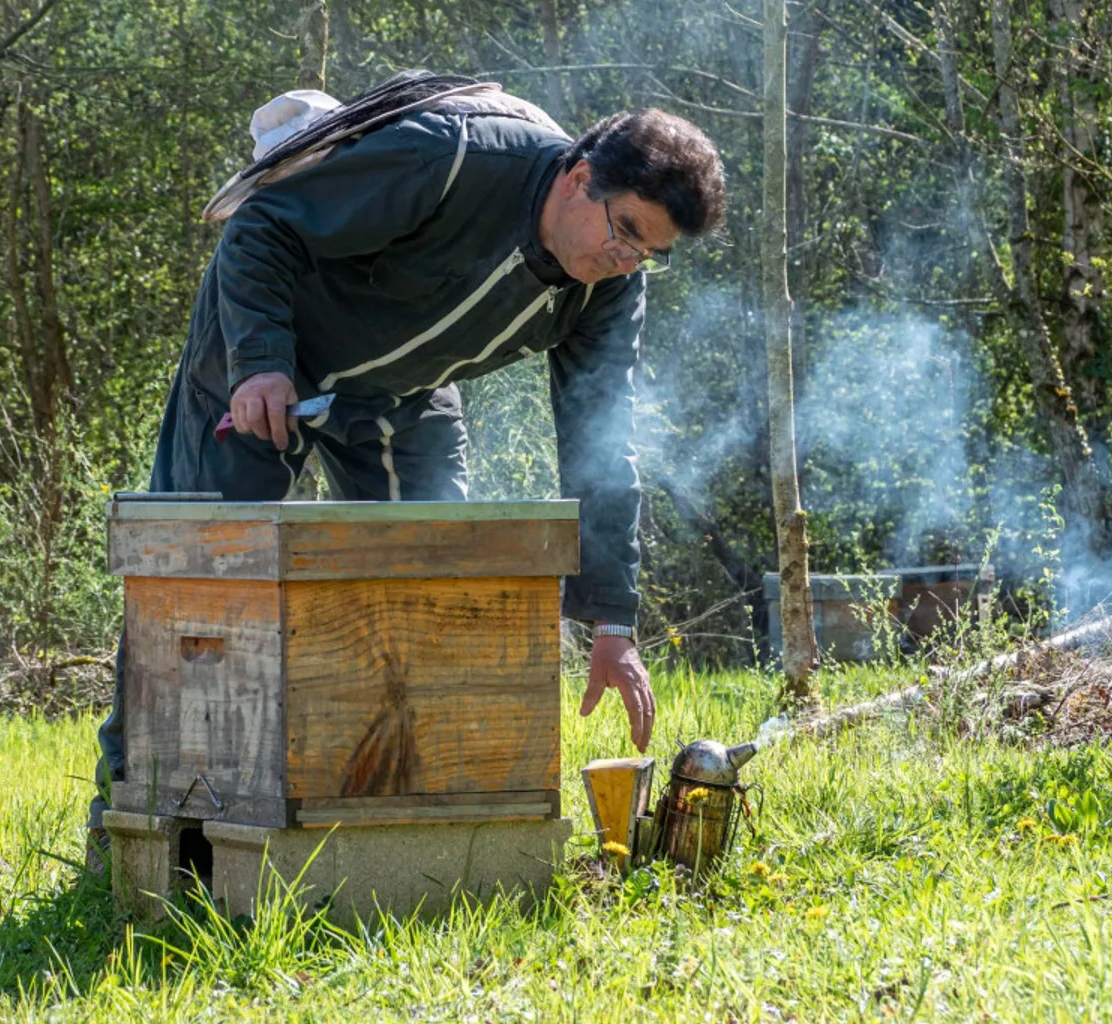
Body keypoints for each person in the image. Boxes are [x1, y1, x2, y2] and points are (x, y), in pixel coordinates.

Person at [89, 74, 726, 863]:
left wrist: (611, 619)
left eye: (648, 254)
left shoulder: (610, 289)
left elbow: (602, 439)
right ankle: (129, 824)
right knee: (197, 586)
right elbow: (261, 228)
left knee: (431, 595)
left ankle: (411, 839)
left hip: (402, 392)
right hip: (265, 359)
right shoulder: (451, 157)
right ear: (578, 177)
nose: (625, 261)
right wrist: (260, 362)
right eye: (624, 231)